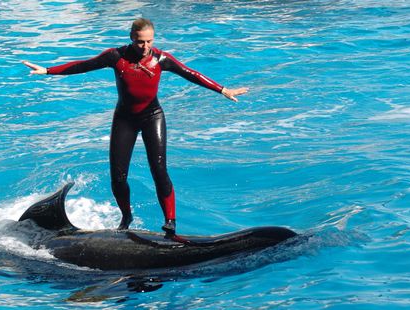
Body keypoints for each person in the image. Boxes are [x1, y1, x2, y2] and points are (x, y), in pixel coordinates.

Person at [23, 18, 247, 236]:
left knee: (159, 171)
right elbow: (84, 65)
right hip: (125, 119)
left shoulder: (161, 59)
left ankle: (170, 222)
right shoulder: (116, 56)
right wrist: (48, 70)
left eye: (150, 41)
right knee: (118, 177)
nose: (146, 46)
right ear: (132, 38)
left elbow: (191, 74)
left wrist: (223, 90)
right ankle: (126, 218)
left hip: (153, 116)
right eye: (141, 41)